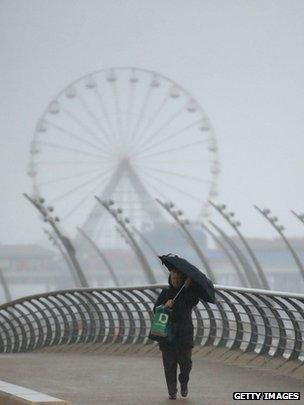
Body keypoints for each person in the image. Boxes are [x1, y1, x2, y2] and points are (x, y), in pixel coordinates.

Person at [153, 269, 199, 400]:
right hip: (167, 334)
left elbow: (194, 301)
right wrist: (165, 305)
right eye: (174, 279)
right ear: (170, 279)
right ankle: (172, 390)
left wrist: (188, 288)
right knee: (169, 364)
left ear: (183, 279)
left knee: (186, 364)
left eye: (179, 279)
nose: (176, 281)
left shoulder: (189, 293)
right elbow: (155, 310)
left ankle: (184, 382)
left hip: (184, 334)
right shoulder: (165, 293)